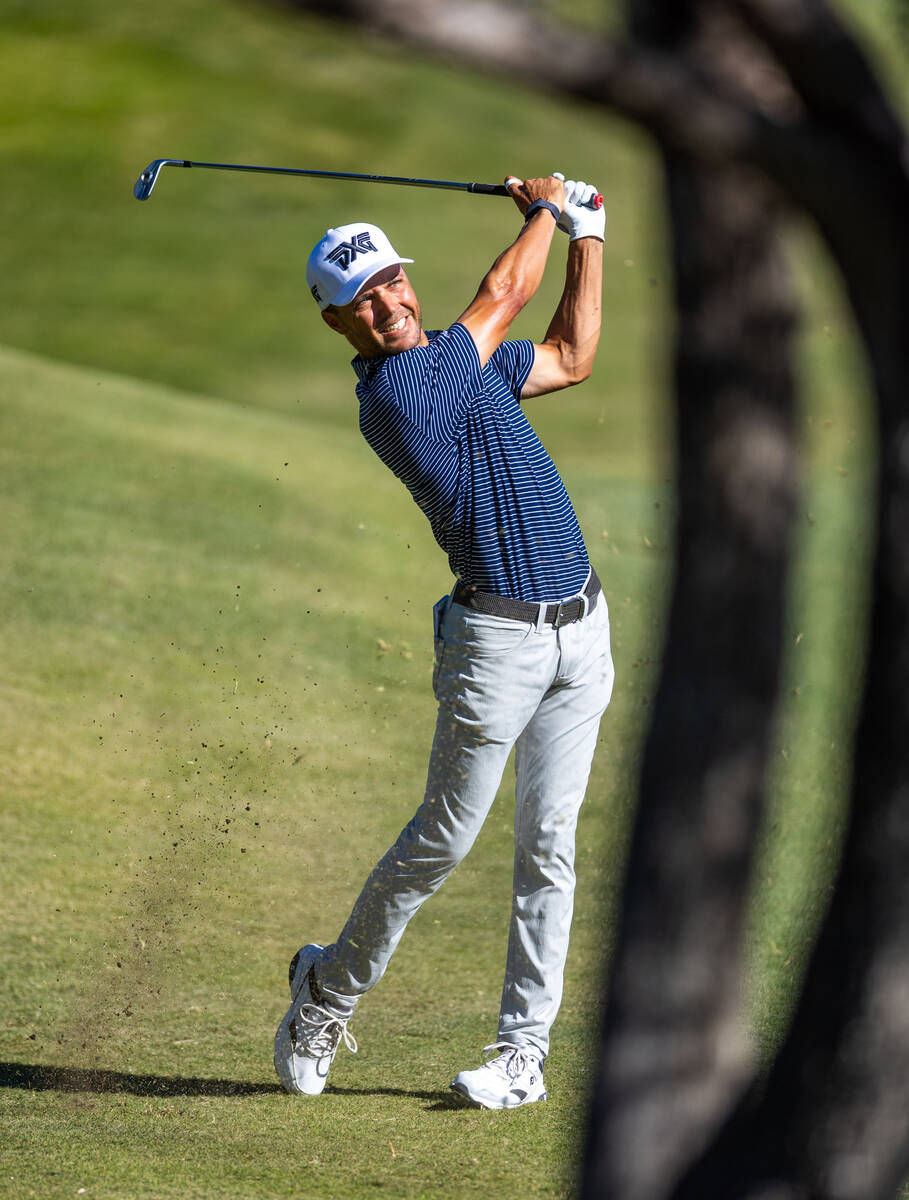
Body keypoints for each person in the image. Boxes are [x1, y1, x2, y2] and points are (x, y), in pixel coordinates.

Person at [274, 173, 614, 1109]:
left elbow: (572, 356)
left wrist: (588, 234)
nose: (385, 304)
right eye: (360, 300)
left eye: (390, 282)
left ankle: (522, 1054)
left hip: (581, 633)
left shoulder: (464, 367)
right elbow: (503, 296)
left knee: (550, 846)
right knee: (442, 841)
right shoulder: (400, 392)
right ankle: (326, 991)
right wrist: (545, 207)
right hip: (496, 647)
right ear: (338, 324)